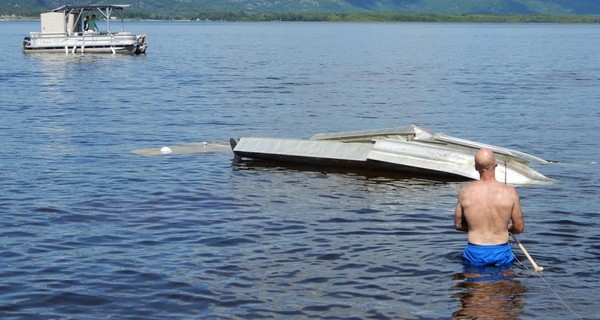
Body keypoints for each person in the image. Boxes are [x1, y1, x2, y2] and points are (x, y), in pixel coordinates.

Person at [454, 148, 524, 266]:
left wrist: (474, 227)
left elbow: (458, 225)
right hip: (501, 252)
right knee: (504, 284)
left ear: (476, 167)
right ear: (496, 164)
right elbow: (519, 228)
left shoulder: (465, 192)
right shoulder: (510, 192)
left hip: (475, 253)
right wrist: (504, 228)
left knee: (475, 283)